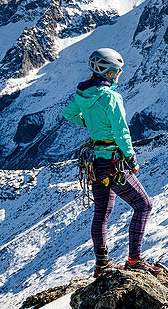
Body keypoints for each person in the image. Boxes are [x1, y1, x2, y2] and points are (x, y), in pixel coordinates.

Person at [62, 48, 161, 277]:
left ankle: (102, 265)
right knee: (143, 205)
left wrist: (92, 124)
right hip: (114, 161)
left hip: (94, 160)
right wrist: (132, 158)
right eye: (116, 71)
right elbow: (121, 131)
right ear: (108, 72)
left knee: (102, 211)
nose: (118, 74)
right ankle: (134, 260)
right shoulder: (111, 96)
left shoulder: (82, 93)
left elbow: (69, 114)